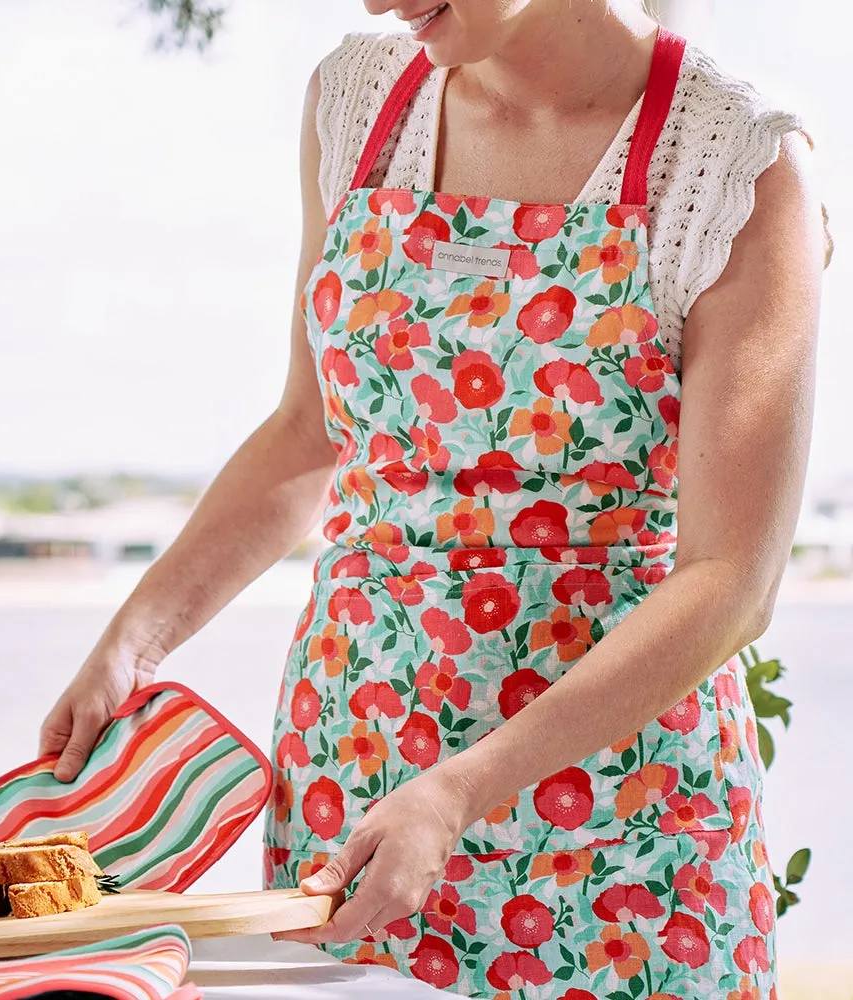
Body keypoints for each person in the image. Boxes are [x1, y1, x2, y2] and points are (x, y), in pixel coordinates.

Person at [40, 1, 828, 995]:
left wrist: (459, 790)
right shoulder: (358, 102)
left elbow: (730, 578)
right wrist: (133, 641)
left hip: (616, 822)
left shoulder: (731, 166)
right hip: (354, 770)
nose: (375, 1)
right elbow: (311, 429)